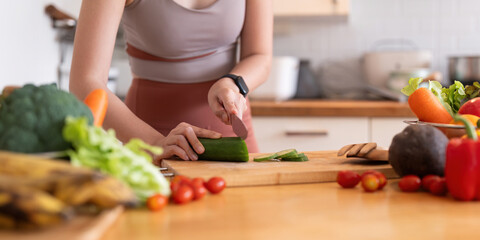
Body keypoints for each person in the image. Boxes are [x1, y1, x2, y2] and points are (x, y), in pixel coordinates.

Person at [69, 0, 272, 161]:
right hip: (149, 136)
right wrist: (157, 143)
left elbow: (259, 55)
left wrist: (232, 83)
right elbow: (85, 82)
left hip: (231, 133)